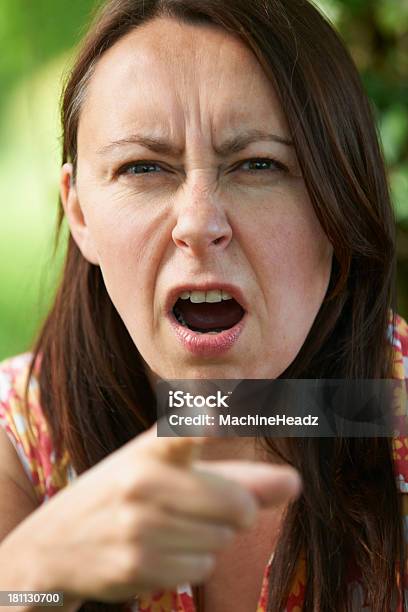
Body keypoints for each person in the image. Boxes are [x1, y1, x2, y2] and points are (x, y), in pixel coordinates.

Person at [0, 0, 407, 610]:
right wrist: (33, 575)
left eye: (259, 164)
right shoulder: (22, 436)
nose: (198, 223)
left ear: (338, 201)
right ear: (78, 211)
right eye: (143, 167)